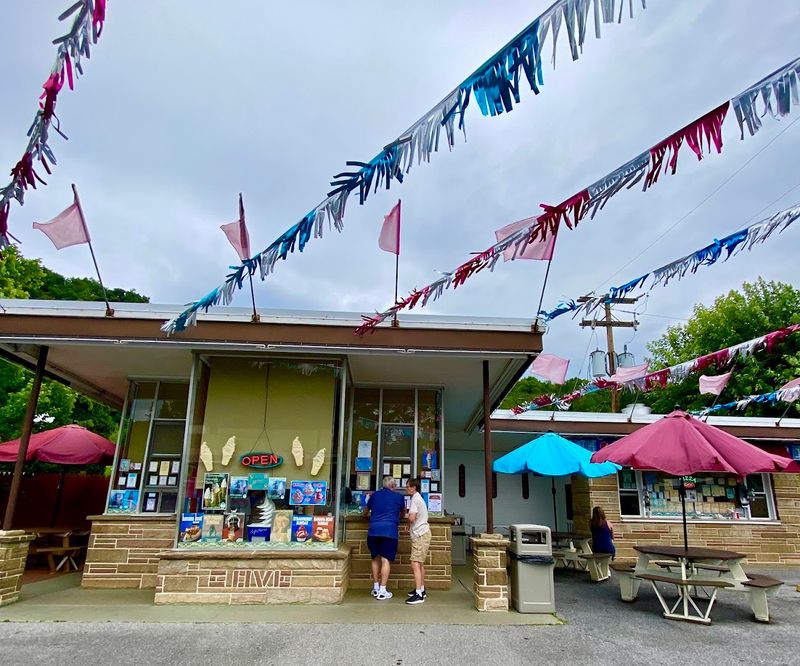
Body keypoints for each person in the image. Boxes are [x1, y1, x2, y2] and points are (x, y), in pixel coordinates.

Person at [365, 476, 405, 600]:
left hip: (373, 531)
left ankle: (376, 587)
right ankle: (382, 590)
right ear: (393, 486)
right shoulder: (399, 497)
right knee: (385, 560)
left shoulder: (374, 496)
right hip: (389, 531)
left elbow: (365, 512)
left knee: (375, 558)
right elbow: (403, 513)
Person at [405, 478, 431, 605]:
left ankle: (419, 595)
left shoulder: (415, 499)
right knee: (419, 563)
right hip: (422, 533)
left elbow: (412, 517)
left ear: (414, 487)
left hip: (420, 535)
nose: (406, 488)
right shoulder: (418, 498)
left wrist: (406, 516)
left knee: (415, 563)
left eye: (408, 486)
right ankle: (421, 589)